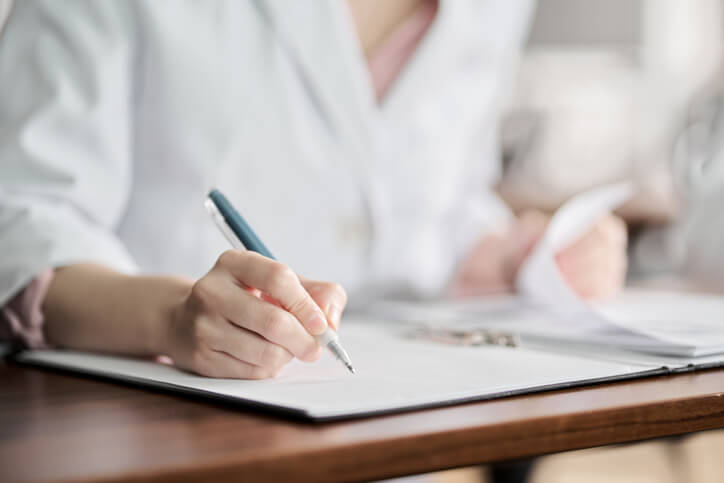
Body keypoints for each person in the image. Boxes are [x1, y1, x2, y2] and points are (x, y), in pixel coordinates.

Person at [0, 0, 627, 380]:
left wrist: (520, 257)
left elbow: (435, 197)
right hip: (155, 427)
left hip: (392, 421)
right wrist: (169, 318)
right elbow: (26, 218)